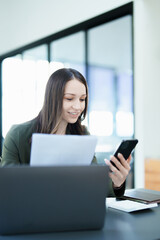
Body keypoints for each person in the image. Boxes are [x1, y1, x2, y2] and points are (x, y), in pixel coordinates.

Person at [1, 68, 131, 197]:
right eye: (69, 99)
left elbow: (95, 186)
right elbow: (7, 188)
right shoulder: (17, 135)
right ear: (52, 98)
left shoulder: (83, 135)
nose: (78, 107)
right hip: (30, 214)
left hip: (74, 212)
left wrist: (117, 183)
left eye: (82, 99)